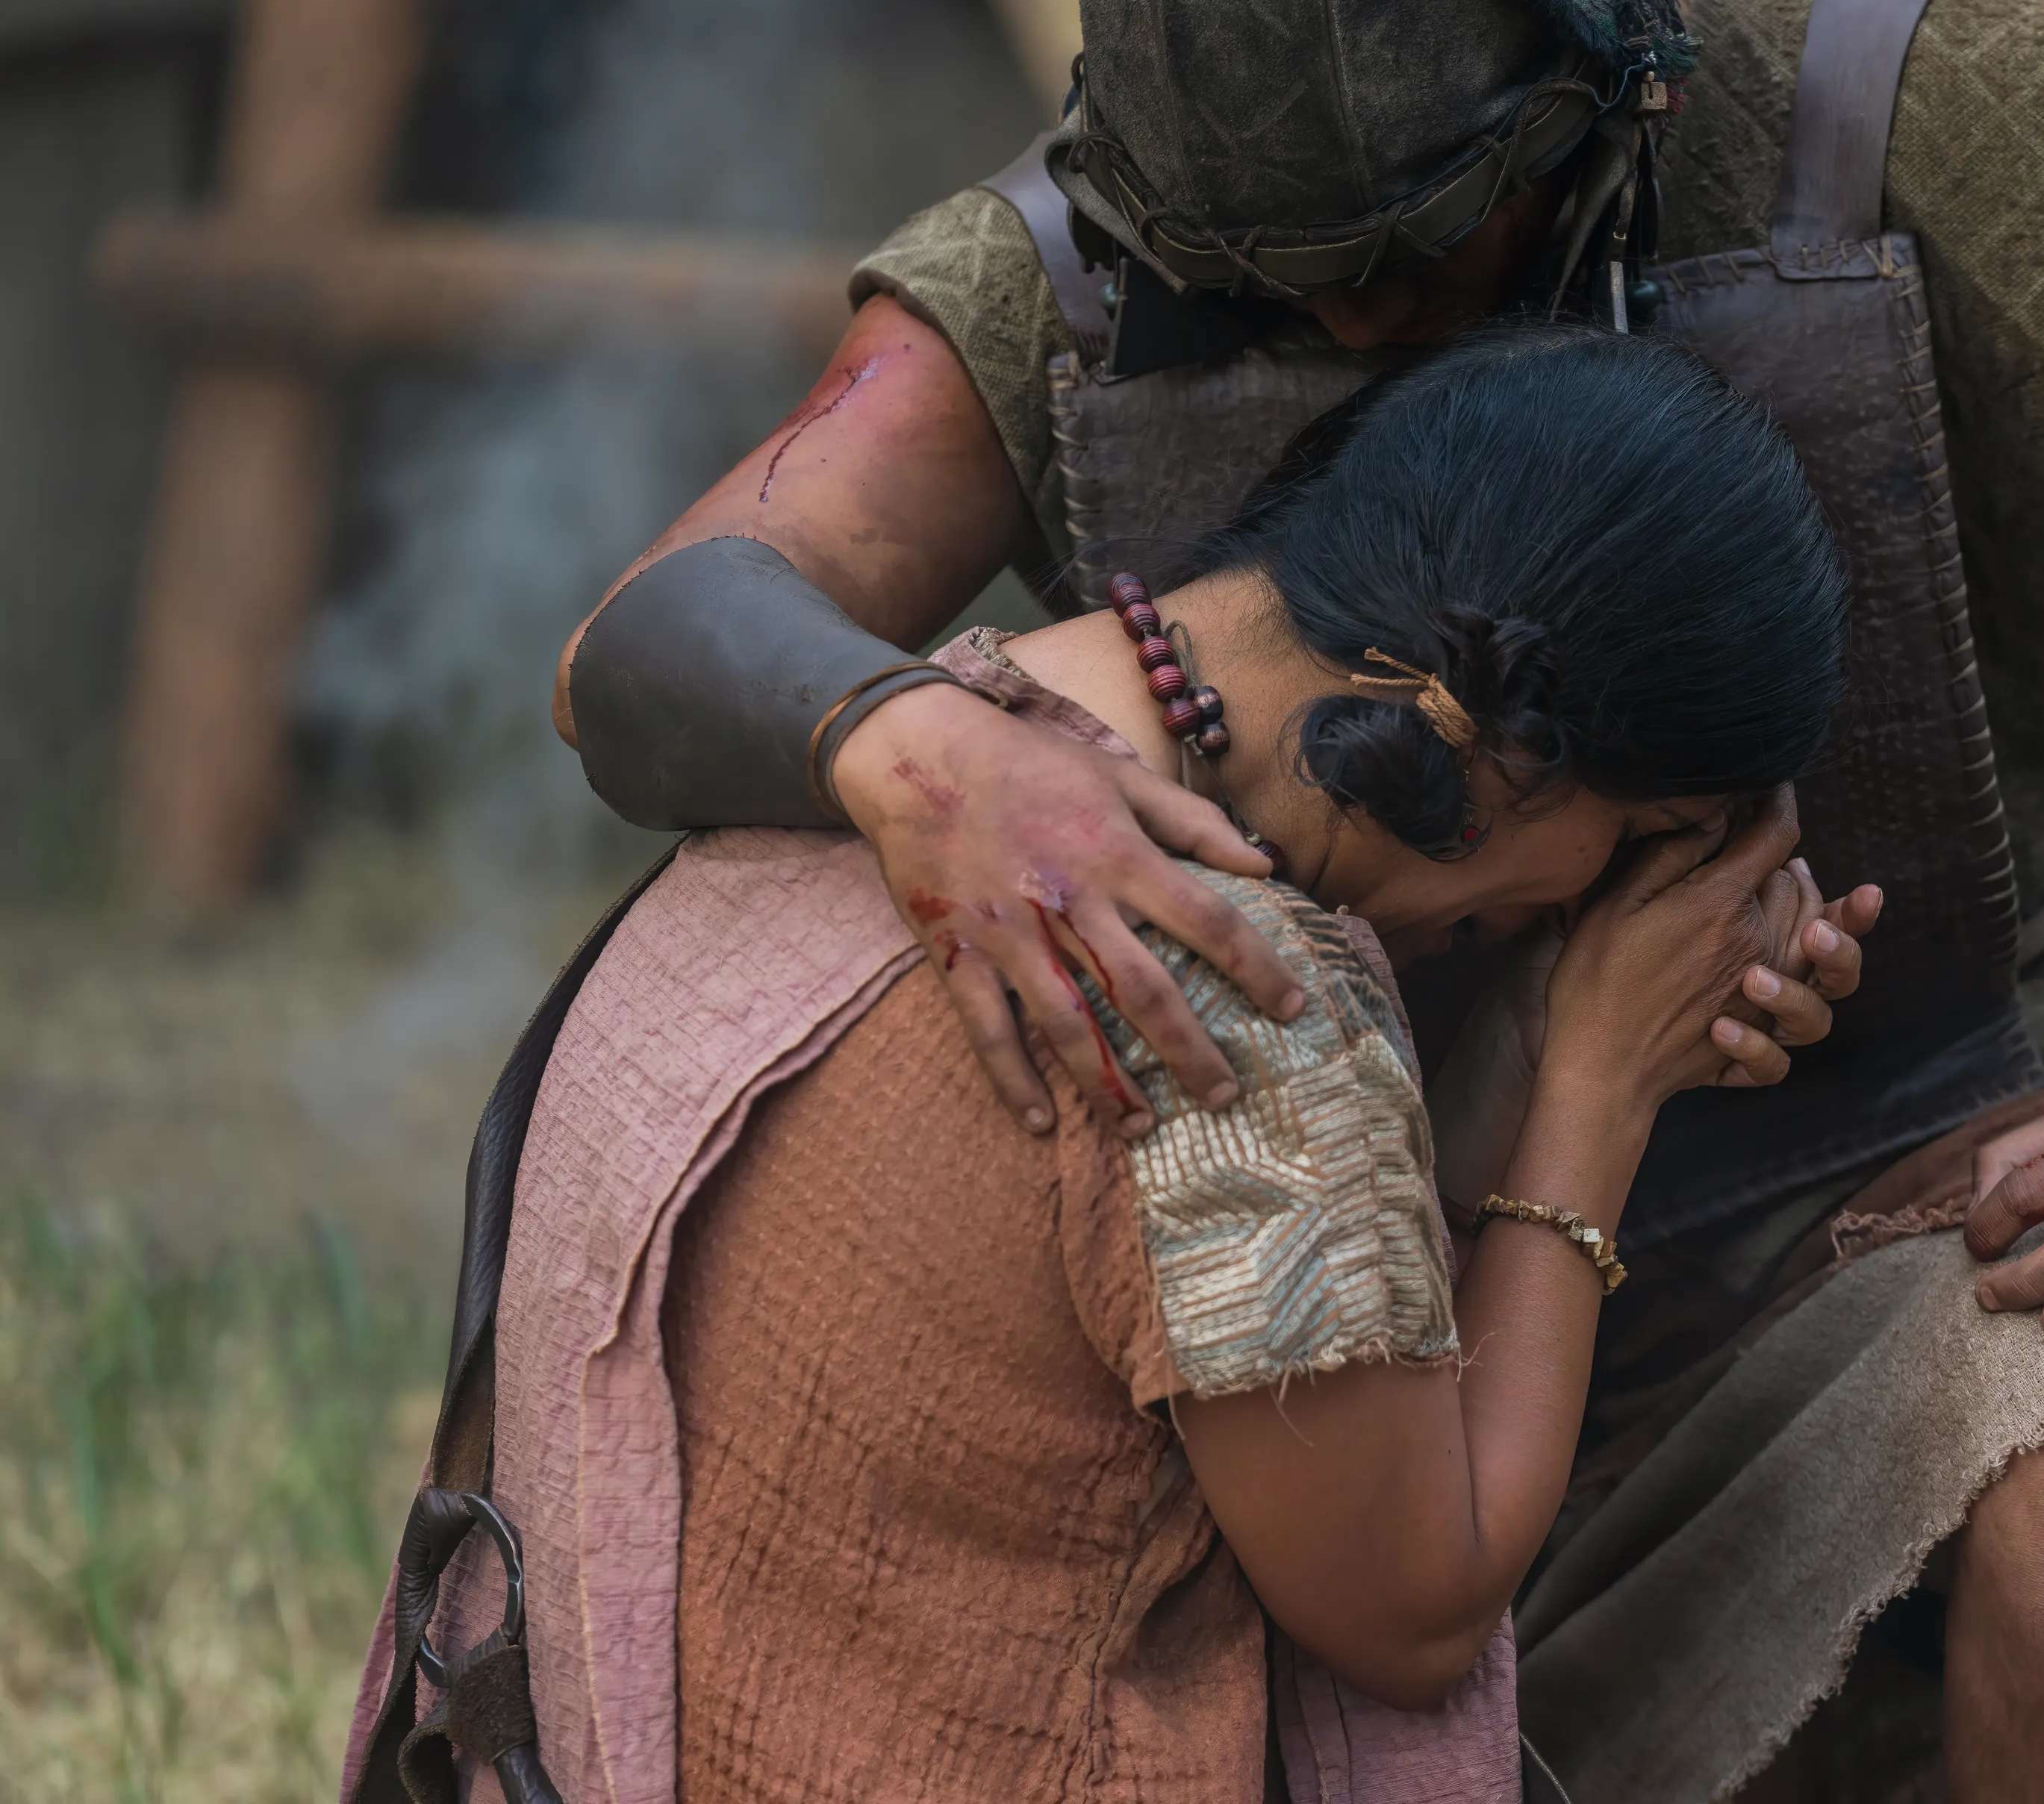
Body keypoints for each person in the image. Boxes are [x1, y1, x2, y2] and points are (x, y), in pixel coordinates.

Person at [539, 0, 2044, 1798]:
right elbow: (662, 624)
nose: (1362, 338)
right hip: (1365, 1197)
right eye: (1281, 289)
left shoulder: (1942, 106)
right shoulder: (1076, 250)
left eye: (1426, 251)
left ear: (1617, 62)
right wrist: (909, 738)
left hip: (1977, 1101)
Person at [346, 328, 1876, 1803]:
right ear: (1492, 745)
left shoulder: (909, 745)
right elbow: (1415, 1608)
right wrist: (1600, 1096)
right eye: (1636, 851)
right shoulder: (1233, 985)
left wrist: (1536, 1042)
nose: (1574, 905)